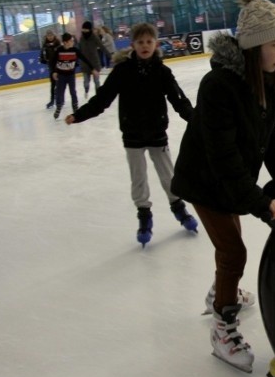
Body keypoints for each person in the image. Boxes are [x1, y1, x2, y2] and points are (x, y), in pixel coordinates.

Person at [171, 0, 275, 373]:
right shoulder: (219, 86)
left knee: (232, 251)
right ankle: (223, 327)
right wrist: (260, 202)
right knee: (233, 251)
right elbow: (223, 159)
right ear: (253, 45)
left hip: (230, 180)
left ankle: (218, 293)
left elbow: (271, 142)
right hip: (206, 182)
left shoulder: (269, 84)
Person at [65, 23, 197, 246]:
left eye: (149, 42)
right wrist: (79, 115)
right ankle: (144, 216)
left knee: (169, 176)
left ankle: (179, 209)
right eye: (140, 42)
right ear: (132, 45)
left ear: (155, 44)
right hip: (132, 134)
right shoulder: (122, 71)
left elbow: (179, 100)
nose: (145, 46)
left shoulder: (162, 72)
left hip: (157, 133)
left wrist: (196, 120)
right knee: (138, 179)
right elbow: (102, 100)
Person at [49, 32, 95, 120]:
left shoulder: (75, 50)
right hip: (61, 75)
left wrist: (92, 68)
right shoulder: (59, 50)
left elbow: (84, 58)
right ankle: (59, 107)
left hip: (70, 75)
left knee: (73, 91)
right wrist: (54, 72)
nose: (72, 42)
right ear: (65, 42)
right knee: (60, 92)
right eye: (71, 41)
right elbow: (52, 62)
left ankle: (75, 107)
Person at [77, 21, 104, 97]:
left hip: (95, 63)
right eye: (83, 29)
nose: (84, 31)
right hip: (85, 64)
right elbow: (79, 50)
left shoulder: (95, 38)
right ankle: (86, 90)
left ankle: (98, 96)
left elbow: (101, 47)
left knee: (96, 81)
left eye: (86, 29)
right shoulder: (81, 39)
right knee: (86, 82)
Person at [40, 30, 61, 109]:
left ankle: (59, 98)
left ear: (54, 35)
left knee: (60, 84)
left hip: (60, 66)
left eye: (51, 35)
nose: (50, 37)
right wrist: (44, 60)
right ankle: (52, 100)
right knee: (53, 85)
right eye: (48, 36)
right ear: (46, 36)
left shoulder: (58, 44)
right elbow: (42, 57)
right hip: (52, 67)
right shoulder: (45, 46)